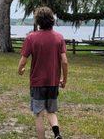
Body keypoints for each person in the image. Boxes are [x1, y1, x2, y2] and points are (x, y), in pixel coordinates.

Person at [18, 7, 69, 139]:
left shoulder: (31, 38)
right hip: (53, 82)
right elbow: (64, 61)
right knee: (51, 111)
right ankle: (57, 134)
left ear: (38, 21)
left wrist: (20, 70)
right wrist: (64, 79)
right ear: (52, 20)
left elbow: (23, 61)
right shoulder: (59, 38)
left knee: (39, 114)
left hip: (37, 83)